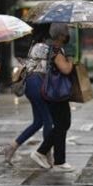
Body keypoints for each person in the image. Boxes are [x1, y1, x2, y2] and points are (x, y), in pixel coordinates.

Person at [4, 26, 53, 165]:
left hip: (31, 84)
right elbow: (52, 63)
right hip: (37, 83)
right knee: (48, 120)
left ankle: (12, 147)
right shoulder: (44, 47)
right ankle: (45, 153)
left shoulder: (34, 45)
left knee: (38, 122)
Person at [29, 23, 74, 171]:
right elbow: (66, 69)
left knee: (62, 124)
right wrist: (71, 60)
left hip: (54, 92)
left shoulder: (54, 49)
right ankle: (43, 153)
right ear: (61, 35)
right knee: (63, 123)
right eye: (66, 32)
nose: (68, 35)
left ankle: (58, 159)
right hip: (57, 93)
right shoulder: (56, 50)